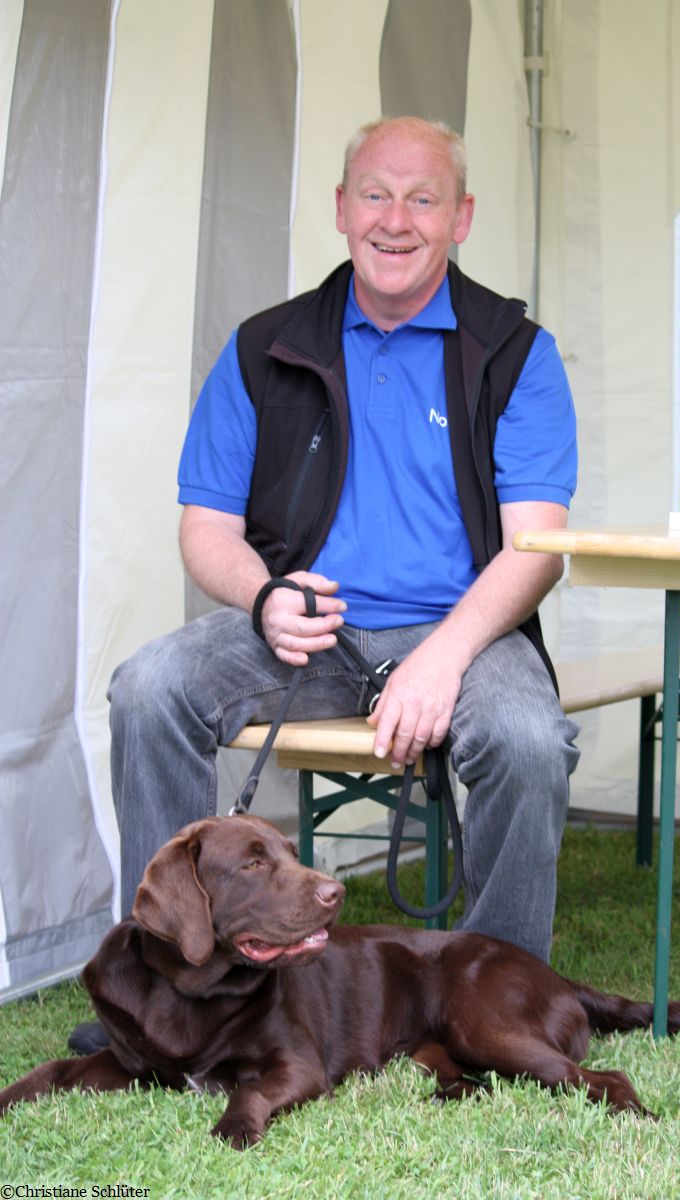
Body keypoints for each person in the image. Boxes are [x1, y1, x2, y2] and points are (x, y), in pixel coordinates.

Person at [71, 116, 579, 1054]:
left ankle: (503, 998)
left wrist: (443, 658)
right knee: (147, 689)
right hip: (308, 630)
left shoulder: (516, 352)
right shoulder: (262, 347)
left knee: (526, 738)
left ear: (462, 217)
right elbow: (206, 530)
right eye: (375, 195)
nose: (396, 220)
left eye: (423, 199)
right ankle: (168, 991)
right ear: (342, 208)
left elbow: (537, 548)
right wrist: (265, 597)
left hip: (463, 631)